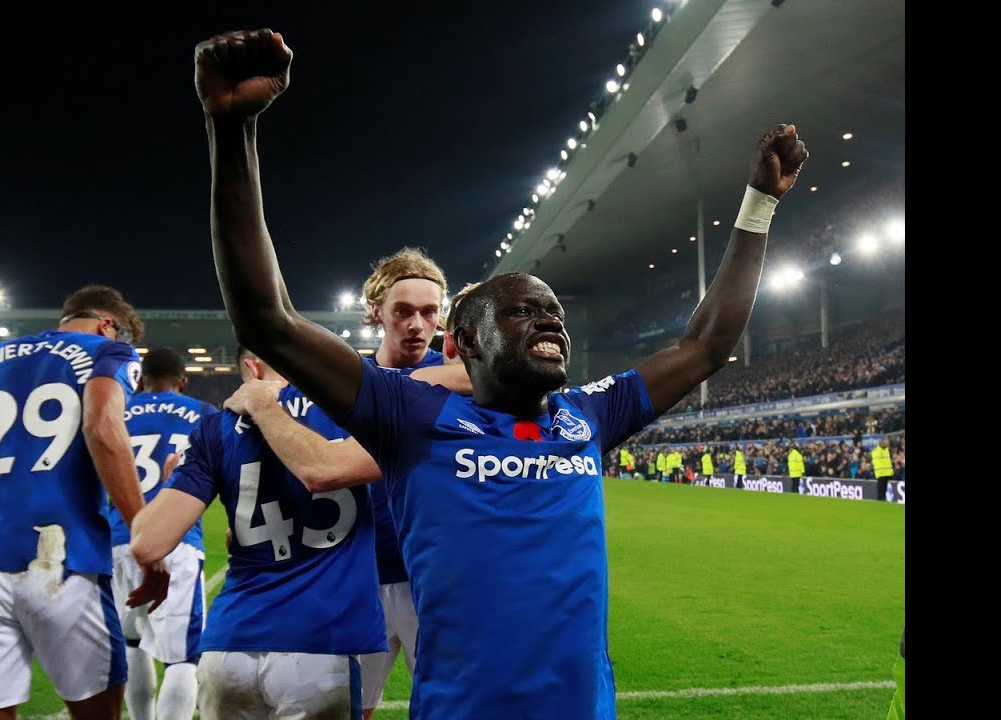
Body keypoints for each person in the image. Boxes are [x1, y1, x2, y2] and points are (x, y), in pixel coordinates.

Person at [192, 27, 808, 719]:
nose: (550, 322)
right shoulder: (409, 417)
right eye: (521, 312)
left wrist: (759, 204)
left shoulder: (588, 414)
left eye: (553, 312)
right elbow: (268, 320)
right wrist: (233, 130)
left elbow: (706, 345)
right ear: (466, 343)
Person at [0, 284, 169, 720]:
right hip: (67, 560)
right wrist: (146, 534)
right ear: (107, 324)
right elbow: (101, 427)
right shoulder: (109, 351)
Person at [127, 346, 387, 719]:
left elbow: (147, 543)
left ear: (251, 368)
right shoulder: (350, 411)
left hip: (228, 647)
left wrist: (170, 489)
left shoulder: (214, 428)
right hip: (321, 641)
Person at [355, 247, 449, 719]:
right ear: (377, 311)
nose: (417, 324)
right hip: (358, 575)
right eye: (403, 311)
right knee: (350, 708)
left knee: (445, 708)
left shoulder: (461, 381)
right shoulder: (347, 379)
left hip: (432, 579)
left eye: (429, 312)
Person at [109, 348, 219, 720]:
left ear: (140, 380)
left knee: (132, 641)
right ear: (182, 382)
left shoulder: (118, 410)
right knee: (182, 657)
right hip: (176, 537)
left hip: (121, 538)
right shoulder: (203, 412)